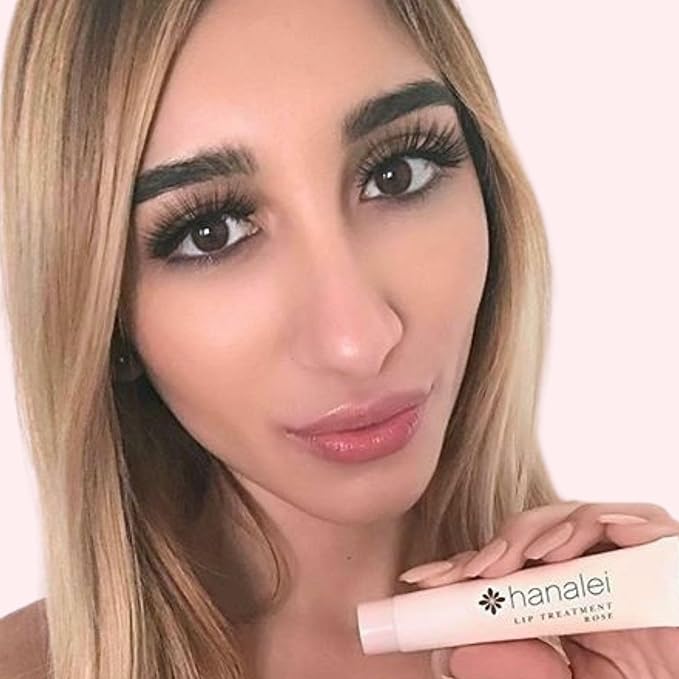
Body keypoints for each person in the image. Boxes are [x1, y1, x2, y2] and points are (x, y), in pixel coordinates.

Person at [2, 1, 678, 678]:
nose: (358, 339)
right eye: (211, 233)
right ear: (103, 313)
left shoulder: (642, 630)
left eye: (397, 173)